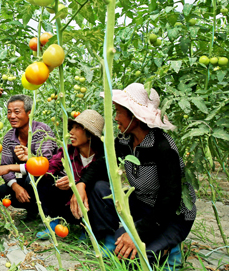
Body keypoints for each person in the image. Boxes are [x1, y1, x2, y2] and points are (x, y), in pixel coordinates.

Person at [87, 83, 196, 268]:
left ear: (135, 116)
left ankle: (170, 248)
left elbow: (169, 200)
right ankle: (148, 241)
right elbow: (101, 165)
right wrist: (81, 184)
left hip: (172, 215)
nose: (115, 117)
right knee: (120, 247)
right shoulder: (124, 141)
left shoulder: (163, 147)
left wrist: (137, 232)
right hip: (143, 206)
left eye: (119, 112)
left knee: (135, 259)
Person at [34, 109, 105, 239]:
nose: (71, 132)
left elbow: (102, 183)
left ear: (90, 134)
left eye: (77, 128)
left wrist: (76, 183)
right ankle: (53, 222)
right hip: (68, 204)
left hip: (90, 205)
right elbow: (49, 167)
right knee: (44, 179)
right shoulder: (68, 151)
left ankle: (88, 227)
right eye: (71, 128)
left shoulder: (103, 157)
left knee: (98, 188)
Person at [0, 95, 57, 221]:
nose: (12, 116)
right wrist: (16, 187)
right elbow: (5, 167)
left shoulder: (41, 131)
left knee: (32, 177)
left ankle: (51, 216)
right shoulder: (8, 138)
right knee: (2, 191)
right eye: (9, 112)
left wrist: (13, 166)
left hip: (51, 181)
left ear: (29, 113)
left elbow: (46, 165)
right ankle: (33, 210)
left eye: (17, 112)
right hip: (29, 180)